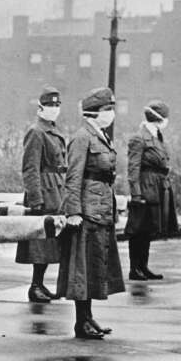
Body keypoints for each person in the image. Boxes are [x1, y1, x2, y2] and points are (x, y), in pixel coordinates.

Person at [56, 87, 125, 340]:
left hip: (100, 210)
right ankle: (80, 322)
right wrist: (73, 211)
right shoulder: (82, 137)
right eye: (108, 109)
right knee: (82, 268)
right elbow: (72, 177)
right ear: (95, 112)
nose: (111, 113)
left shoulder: (100, 136)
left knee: (93, 267)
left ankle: (87, 318)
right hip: (86, 212)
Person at [15, 86, 67, 302]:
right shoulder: (36, 131)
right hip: (44, 190)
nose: (54, 109)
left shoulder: (52, 130)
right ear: (40, 108)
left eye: (57, 105)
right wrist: (36, 198)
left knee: (49, 243)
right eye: (49, 105)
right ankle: (35, 286)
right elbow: (30, 168)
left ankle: (40, 284)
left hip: (56, 189)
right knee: (40, 243)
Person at [125, 100, 178, 280]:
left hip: (157, 187)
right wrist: (136, 194)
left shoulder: (157, 136)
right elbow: (133, 169)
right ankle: (135, 268)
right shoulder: (139, 138)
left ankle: (143, 266)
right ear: (159, 118)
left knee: (148, 229)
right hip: (145, 186)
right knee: (139, 229)